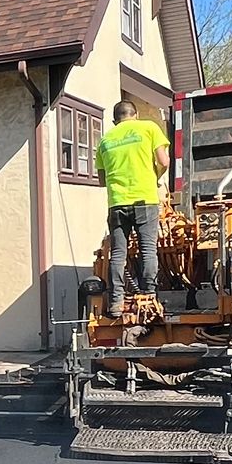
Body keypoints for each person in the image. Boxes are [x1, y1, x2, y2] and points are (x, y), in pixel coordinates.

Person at [96, 101, 171, 313]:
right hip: (144, 200)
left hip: (117, 203)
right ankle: (148, 297)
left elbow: (102, 180)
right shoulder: (148, 128)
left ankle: (116, 302)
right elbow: (164, 162)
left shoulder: (105, 140)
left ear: (114, 120)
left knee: (118, 254)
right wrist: (154, 178)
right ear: (135, 115)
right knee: (148, 250)